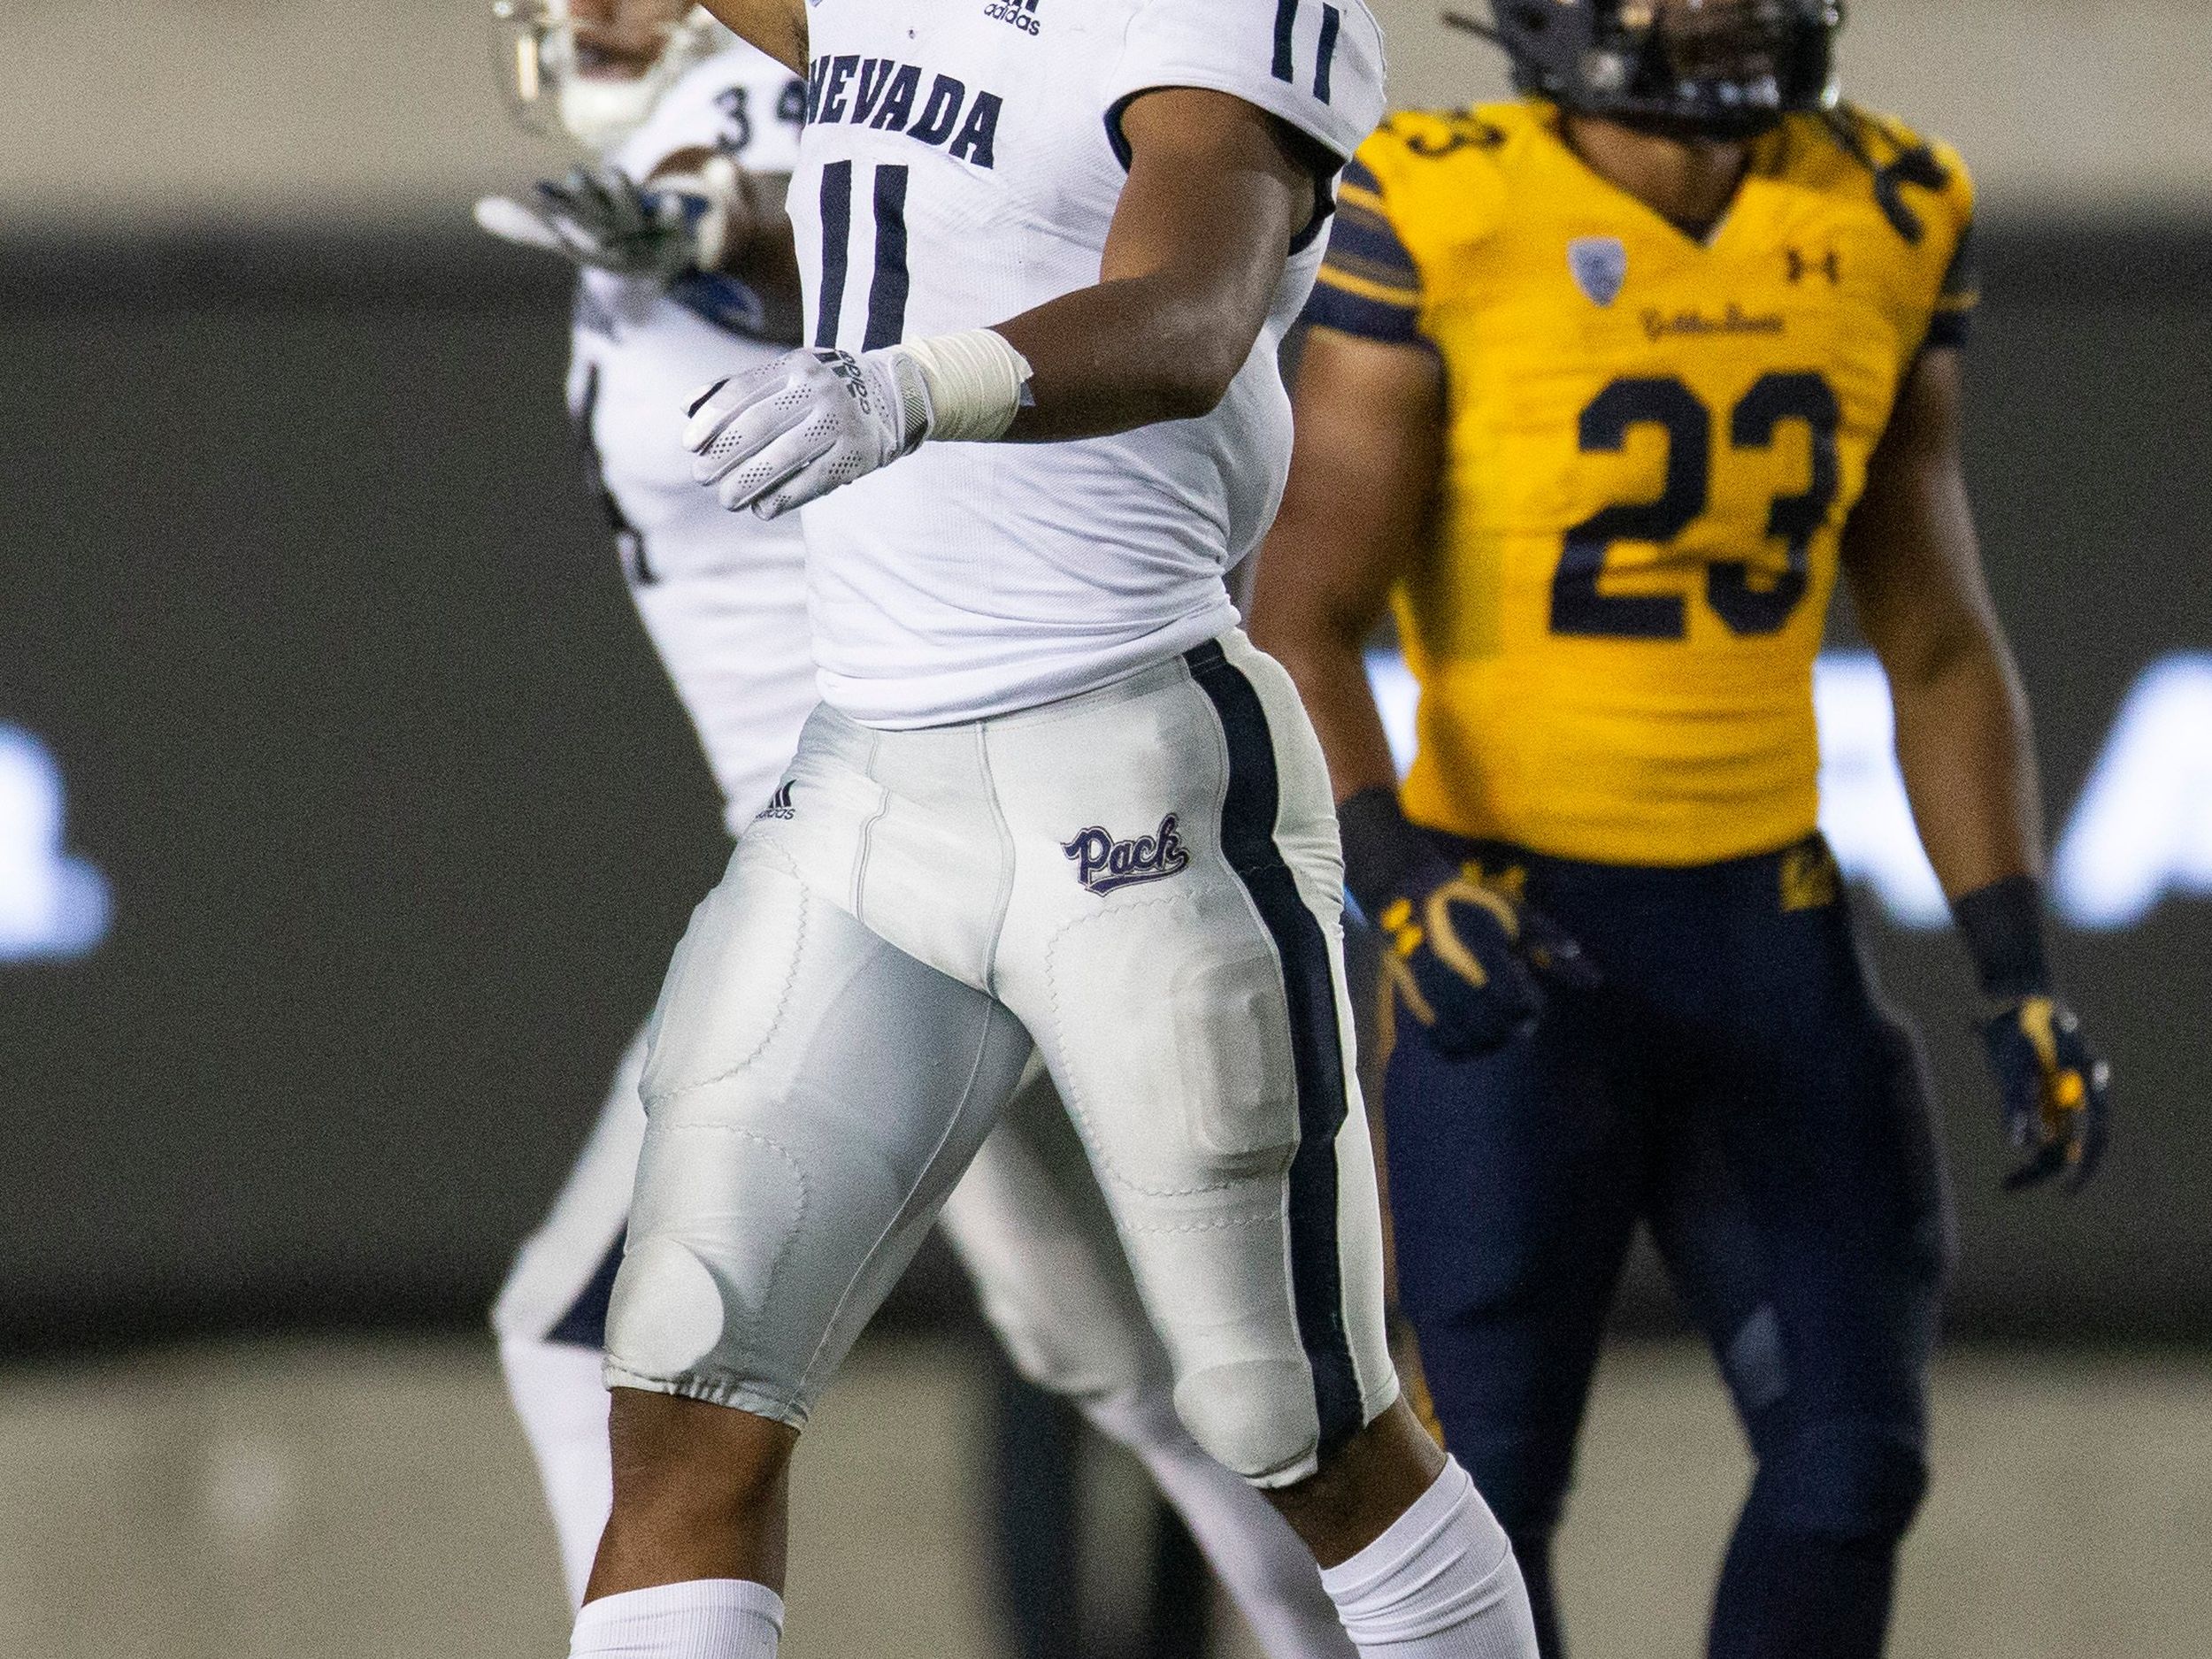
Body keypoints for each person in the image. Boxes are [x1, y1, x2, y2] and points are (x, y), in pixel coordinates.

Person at [553, 0, 1548, 1655]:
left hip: (1131, 767)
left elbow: (1190, 317)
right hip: (865, 784)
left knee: (1293, 1421)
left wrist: (915, 388)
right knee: (685, 1384)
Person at [1246, 3, 2114, 1656]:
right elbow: (1301, 606)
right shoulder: (1444, 197)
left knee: (1855, 1458)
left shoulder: (1890, 201)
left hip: (1764, 931)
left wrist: (2017, 968)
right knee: (1485, 1490)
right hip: (1513, 934)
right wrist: (1403, 882)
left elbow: (1933, 637)